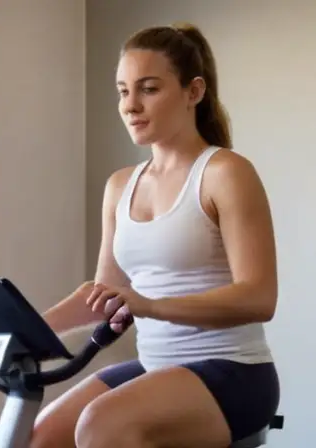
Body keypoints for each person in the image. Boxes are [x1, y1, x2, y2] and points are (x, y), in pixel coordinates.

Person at [33, 22, 280, 448]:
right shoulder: (120, 186)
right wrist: (29, 330)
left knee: (101, 425)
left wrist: (150, 305)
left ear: (193, 92)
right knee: (38, 437)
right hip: (157, 367)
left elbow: (259, 298)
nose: (131, 105)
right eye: (123, 91)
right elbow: (104, 293)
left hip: (234, 370)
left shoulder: (224, 173)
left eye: (148, 89)